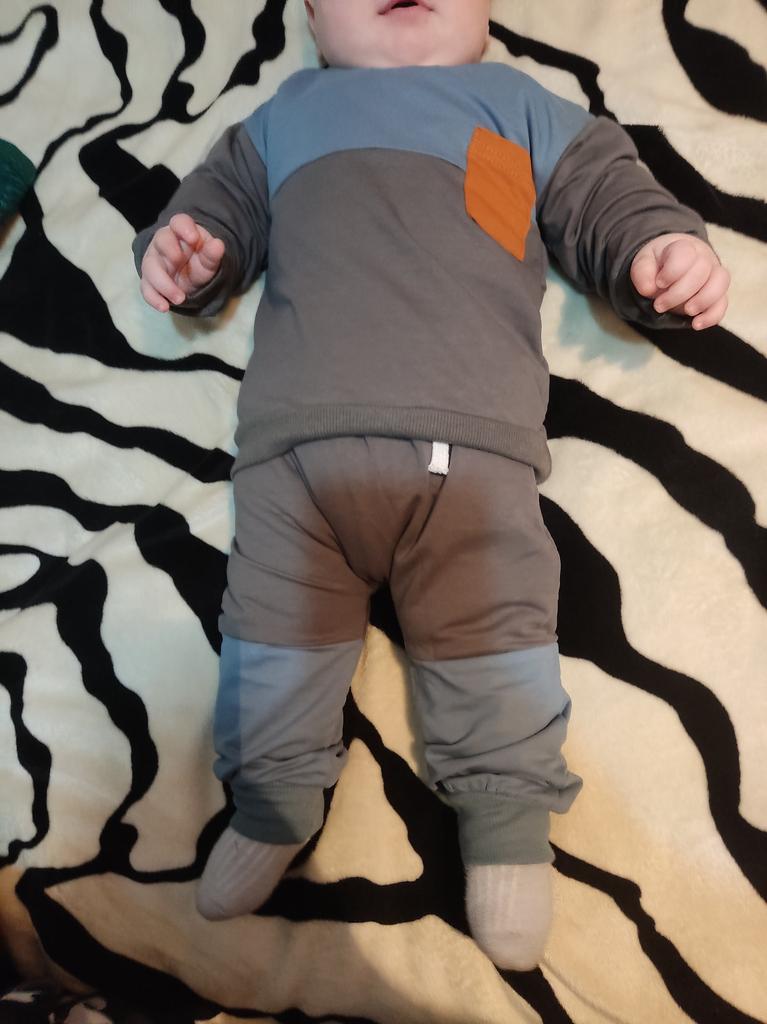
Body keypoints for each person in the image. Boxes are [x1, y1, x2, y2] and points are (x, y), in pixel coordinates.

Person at [133, 0, 730, 970]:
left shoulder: (518, 106)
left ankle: (506, 830)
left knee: (498, 644)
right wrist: (188, 249)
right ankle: (272, 804)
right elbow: (215, 212)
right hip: (294, 461)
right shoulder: (283, 117)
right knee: (269, 648)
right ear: (312, 14)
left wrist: (655, 250)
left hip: (473, 460)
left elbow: (604, 197)